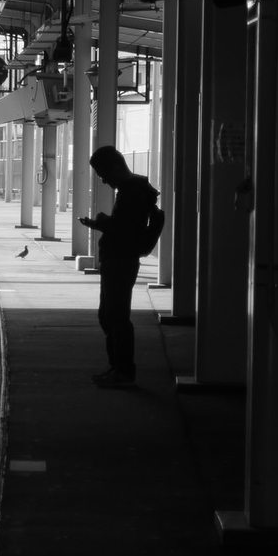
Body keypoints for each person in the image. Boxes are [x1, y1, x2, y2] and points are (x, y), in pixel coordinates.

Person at [78, 146, 159, 389]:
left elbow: (126, 229)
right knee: (111, 315)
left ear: (115, 167)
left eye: (103, 174)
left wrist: (102, 222)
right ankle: (118, 368)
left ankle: (122, 370)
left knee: (115, 316)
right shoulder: (134, 188)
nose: (103, 180)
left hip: (121, 260)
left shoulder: (131, 191)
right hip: (120, 258)